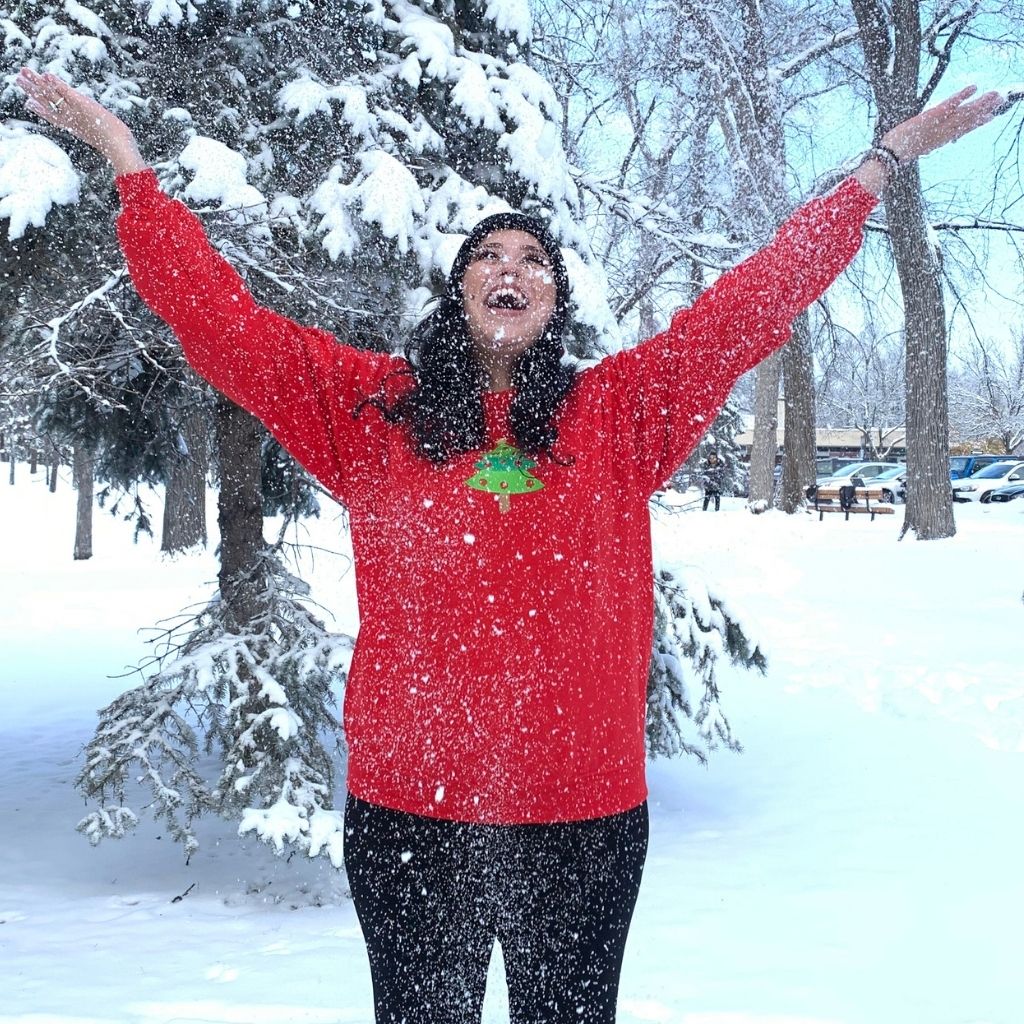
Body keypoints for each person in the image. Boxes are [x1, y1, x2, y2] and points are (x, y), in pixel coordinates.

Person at [14, 67, 1007, 1023]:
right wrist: (126, 163)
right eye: (489, 255)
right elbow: (223, 324)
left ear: (552, 300)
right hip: (412, 815)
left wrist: (872, 171)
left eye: (533, 258)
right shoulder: (372, 411)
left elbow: (746, 310)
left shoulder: (617, 412)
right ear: (458, 291)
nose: (510, 267)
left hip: (582, 820)